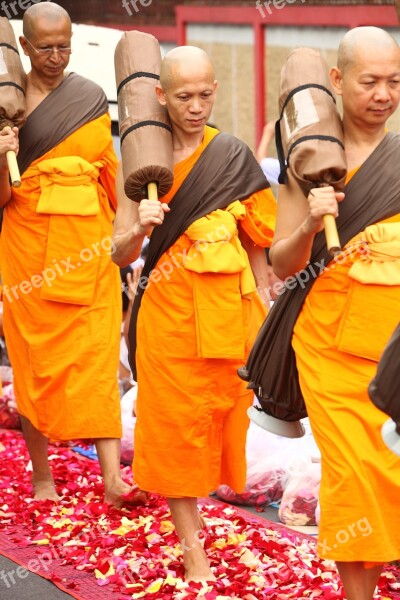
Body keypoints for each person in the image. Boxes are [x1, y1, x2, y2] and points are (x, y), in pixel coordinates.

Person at [112, 45, 277, 582]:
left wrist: (266, 301)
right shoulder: (141, 159)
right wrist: (139, 225)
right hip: (169, 320)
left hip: (229, 318)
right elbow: (117, 253)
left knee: (218, 419)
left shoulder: (230, 154)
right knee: (175, 427)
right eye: (184, 96)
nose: (197, 105)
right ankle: (191, 547)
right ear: (161, 94)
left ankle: (202, 519)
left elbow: (259, 243)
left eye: (206, 94)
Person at [269, 26, 400, 600]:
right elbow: (280, 263)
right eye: (369, 81)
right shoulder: (311, 155)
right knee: (354, 474)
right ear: (338, 81)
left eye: (394, 81)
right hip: (330, 348)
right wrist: (307, 221)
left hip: (394, 344)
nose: (384, 94)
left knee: (389, 475)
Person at [0, 3, 144, 507]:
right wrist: (3, 153)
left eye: (65, 46)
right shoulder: (5, 105)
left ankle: (110, 480)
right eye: (46, 47)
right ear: (23, 46)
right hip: (28, 253)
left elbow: (113, 174)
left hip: (87, 247)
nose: (57, 56)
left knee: (97, 361)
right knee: (34, 359)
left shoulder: (85, 96)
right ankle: (42, 474)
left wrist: (128, 237)